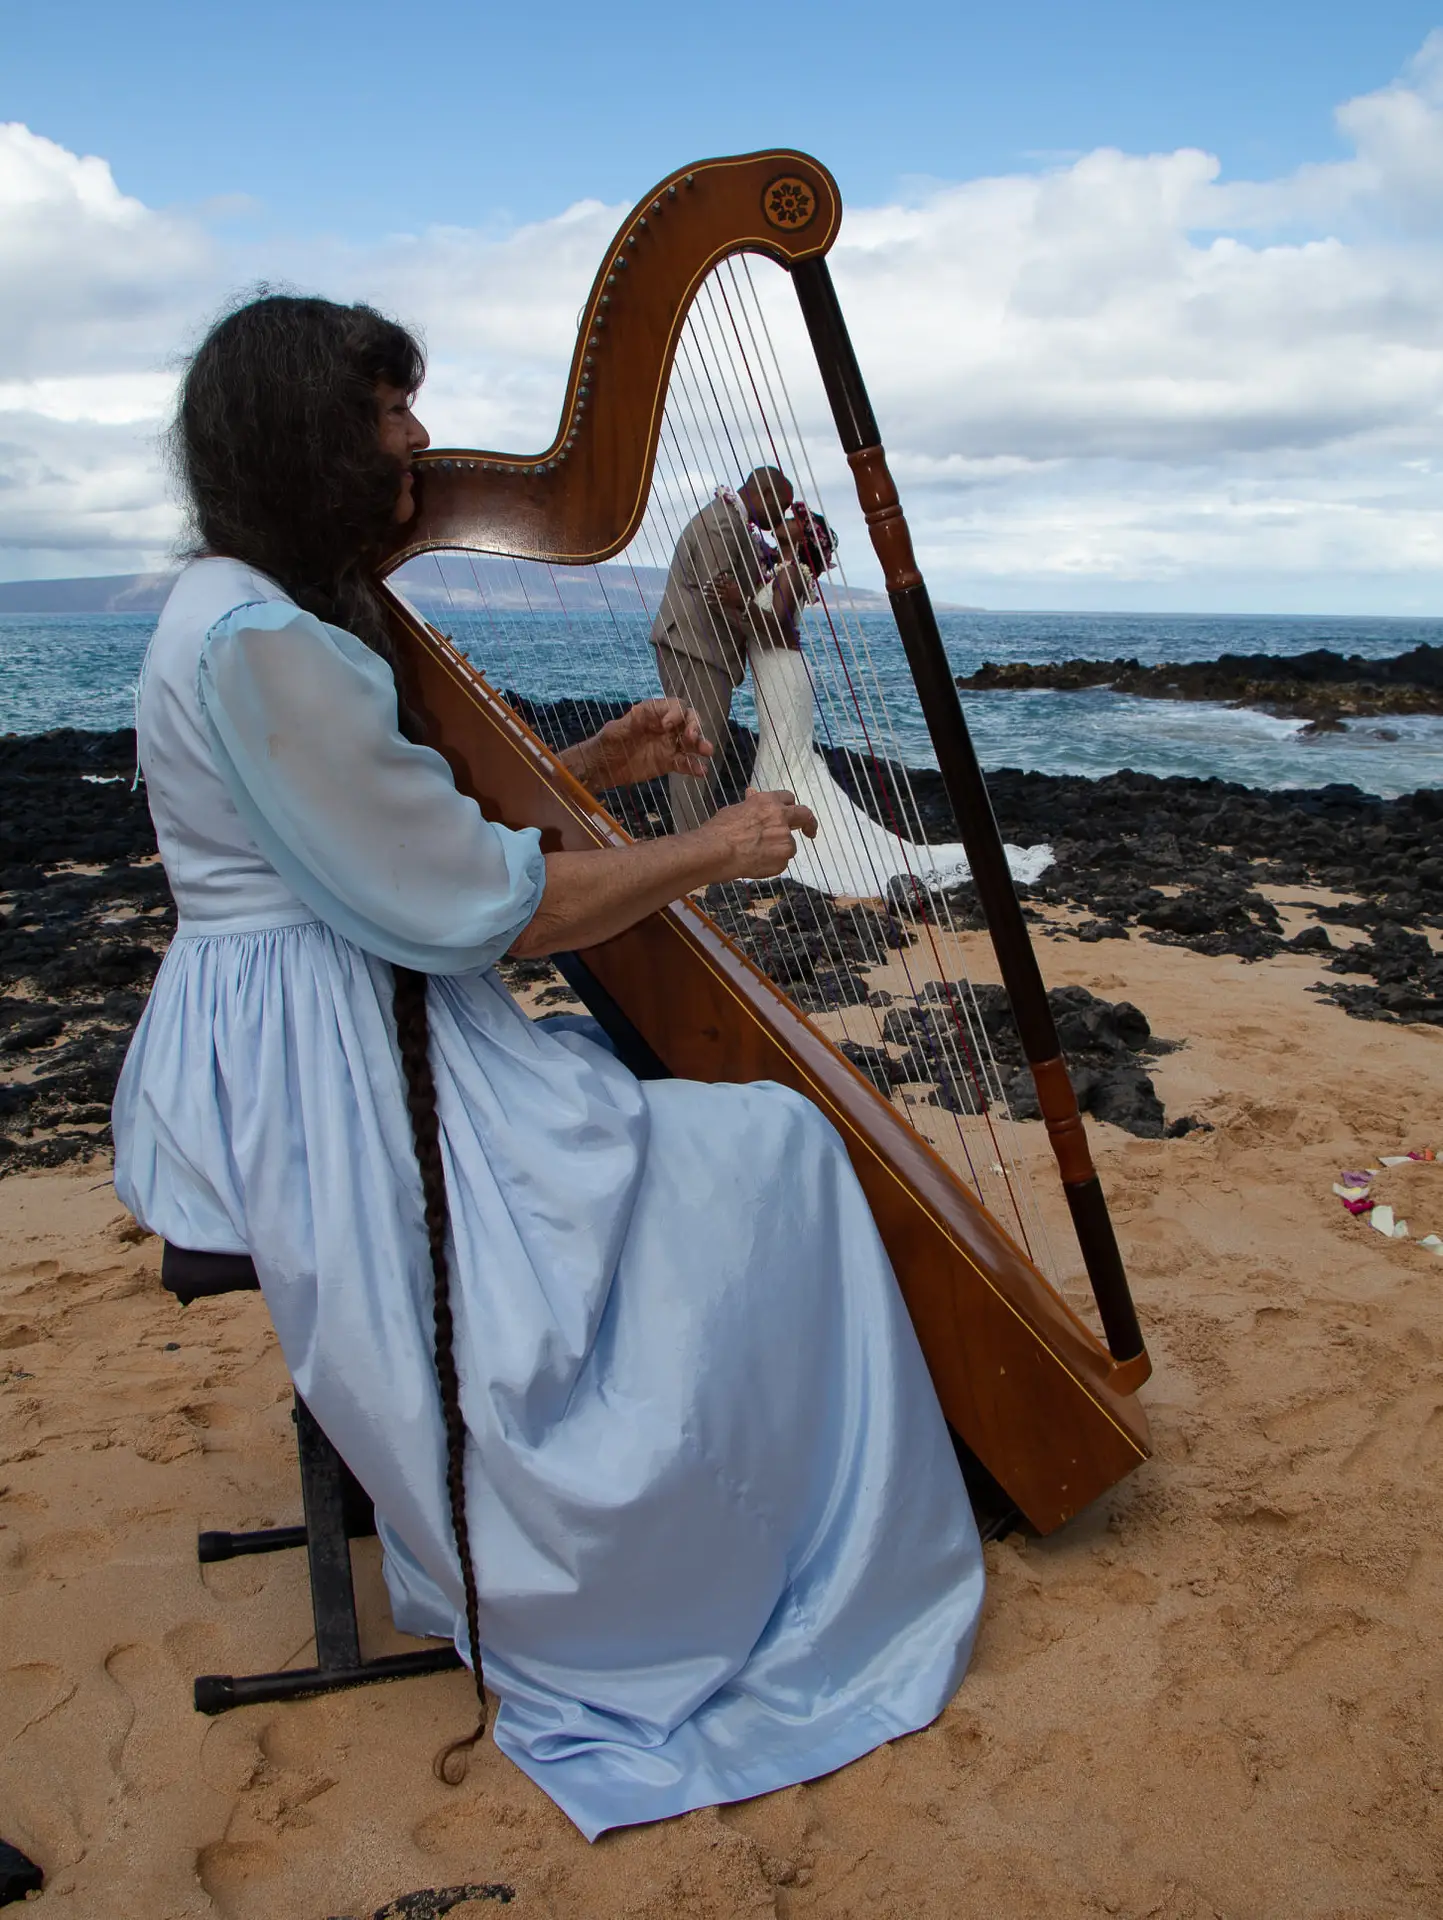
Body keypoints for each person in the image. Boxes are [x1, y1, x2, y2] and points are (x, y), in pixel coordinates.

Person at [112, 294, 985, 1844]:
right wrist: (707, 848)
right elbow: (463, 906)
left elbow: (369, 836)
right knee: (773, 1151)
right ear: (311, 435)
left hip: (320, 1016)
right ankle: (749, 1529)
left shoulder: (238, 613)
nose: (418, 441)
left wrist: (588, 773)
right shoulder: (263, 644)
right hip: (337, 1064)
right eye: (388, 414)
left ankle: (795, 1461)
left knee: (641, 1103)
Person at [747, 506, 1055, 899]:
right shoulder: (781, 567)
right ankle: (771, 824)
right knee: (781, 752)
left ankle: (777, 831)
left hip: (782, 672)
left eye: (795, 517)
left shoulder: (792, 572)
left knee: (785, 753)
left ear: (804, 536)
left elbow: (776, 626)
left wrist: (733, 612)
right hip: (776, 673)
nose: (785, 517)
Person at [648, 465, 793, 831]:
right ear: (762, 495)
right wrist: (766, 630)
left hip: (698, 649)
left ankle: (693, 844)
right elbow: (720, 599)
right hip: (695, 649)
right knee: (697, 750)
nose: (783, 515)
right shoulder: (722, 525)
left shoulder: (729, 521)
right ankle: (694, 850)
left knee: (698, 748)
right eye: (782, 505)